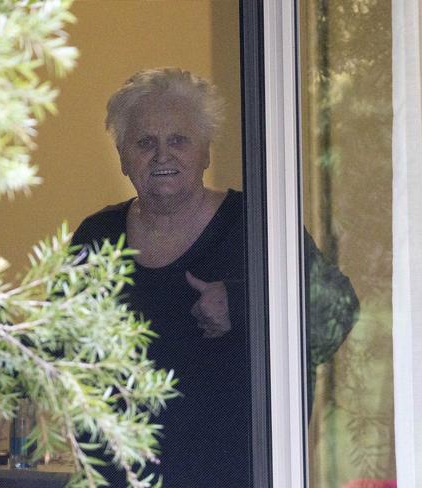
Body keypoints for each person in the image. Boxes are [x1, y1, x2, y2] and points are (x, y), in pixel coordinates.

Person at [71, 67, 359, 487]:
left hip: (237, 474)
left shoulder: (257, 227)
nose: (162, 155)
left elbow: (337, 312)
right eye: (145, 142)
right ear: (122, 156)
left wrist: (243, 305)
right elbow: (57, 350)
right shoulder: (96, 237)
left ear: (205, 151)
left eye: (178, 140)